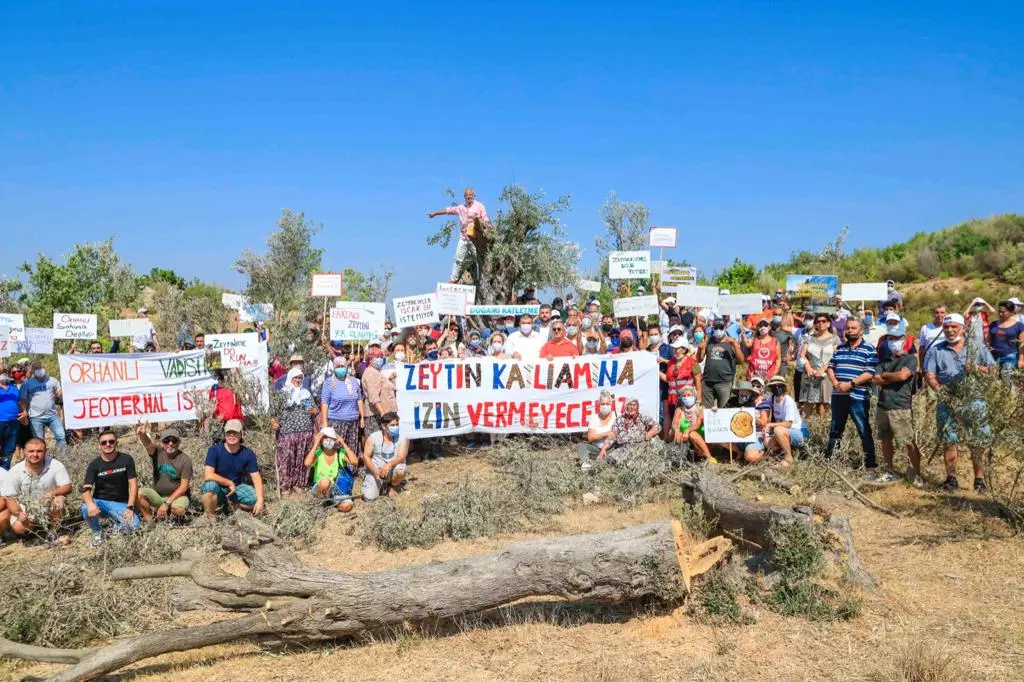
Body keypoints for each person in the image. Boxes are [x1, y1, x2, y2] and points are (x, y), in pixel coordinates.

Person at [924, 314, 997, 493]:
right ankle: (951, 480)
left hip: (975, 401)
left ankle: (980, 481)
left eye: (954, 327)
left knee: (978, 442)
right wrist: (942, 393)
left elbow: (994, 371)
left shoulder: (977, 347)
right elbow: (929, 374)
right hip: (947, 402)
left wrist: (977, 368)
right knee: (949, 441)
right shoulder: (936, 350)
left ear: (962, 328)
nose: (949, 330)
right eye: (946, 327)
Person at [826, 319, 880, 477]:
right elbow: (830, 367)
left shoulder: (869, 349)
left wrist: (851, 384)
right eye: (848, 328)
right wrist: (836, 382)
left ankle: (870, 466)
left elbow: (870, 372)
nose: (850, 331)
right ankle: (831, 462)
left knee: (863, 430)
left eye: (854, 328)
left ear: (861, 331)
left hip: (858, 396)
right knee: (835, 430)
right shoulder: (840, 347)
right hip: (838, 395)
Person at [873, 327, 922, 486]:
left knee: (907, 441)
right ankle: (889, 471)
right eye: (890, 338)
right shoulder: (884, 360)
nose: (893, 342)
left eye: (897, 338)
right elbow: (876, 379)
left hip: (900, 405)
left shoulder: (910, 359)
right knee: (885, 439)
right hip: (883, 405)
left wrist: (886, 376)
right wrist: (891, 377)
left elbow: (903, 375)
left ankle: (917, 473)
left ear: (905, 339)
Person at [0, 438, 72, 544]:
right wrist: (18, 513)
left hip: (48, 504)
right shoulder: (15, 471)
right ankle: (31, 532)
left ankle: (54, 531)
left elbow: (68, 487)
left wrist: (51, 494)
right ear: (24, 452)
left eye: (39, 451)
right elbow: (9, 498)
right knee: (19, 526)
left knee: (58, 500)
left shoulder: (56, 465)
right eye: (31, 451)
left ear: (45, 452)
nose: (35, 454)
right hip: (27, 507)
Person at [81, 430, 141, 546]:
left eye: (111, 441)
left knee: (135, 526)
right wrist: (91, 504)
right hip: (101, 503)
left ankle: (110, 531)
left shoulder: (126, 459)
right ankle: (97, 533)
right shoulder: (94, 465)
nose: (107, 444)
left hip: (121, 504)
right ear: (99, 445)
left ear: (116, 443)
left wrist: (130, 507)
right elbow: (85, 490)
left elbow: (133, 485)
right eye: (104, 443)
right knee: (85, 508)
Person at [200, 419, 265, 520]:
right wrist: (229, 483)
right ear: (224, 434)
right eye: (229, 432)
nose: (231, 435)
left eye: (235, 432)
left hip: (237, 488)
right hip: (219, 487)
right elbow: (208, 475)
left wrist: (261, 500)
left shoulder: (248, 453)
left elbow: (256, 476)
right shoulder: (214, 450)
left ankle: (231, 507)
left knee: (255, 499)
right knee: (209, 486)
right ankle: (211, 517)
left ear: (241, 434)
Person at [428, 187, 491, 283]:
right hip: (464, 238)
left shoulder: (479, 206)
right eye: (467, 196)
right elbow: (448, 210)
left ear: (473, 196)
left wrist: (481, 222)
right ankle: (453, 280)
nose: (469, 197)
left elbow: (486, 219)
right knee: (458, 259)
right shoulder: (461, 208)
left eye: (470, 195)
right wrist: (435, 213)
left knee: (479, 260)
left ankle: (482, 280)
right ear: (465, 197)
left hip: (475, 239)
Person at [135, 425, 193, 522]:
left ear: (178, 442)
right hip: (158, 495)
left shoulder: (185, 459)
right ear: (161, 443)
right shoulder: (157, 452)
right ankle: (150, 520)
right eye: (166, 440)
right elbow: (148, 445)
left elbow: (184, 487)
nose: (170, 443)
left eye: (174, 440)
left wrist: (166, 504)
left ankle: (169, 517)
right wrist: (143, 435)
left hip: (178, 497)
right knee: (138, 493)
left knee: (177, 510)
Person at [274, 367, 316, 495]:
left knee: (301, 458)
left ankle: (299, 484)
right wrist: (274, 422)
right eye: (295, 378)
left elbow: (314, 410)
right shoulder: (283, 394)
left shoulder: (306, 394)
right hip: (287, 432)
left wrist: (312, 411)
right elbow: (274, 412)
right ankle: (286, 486)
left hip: (304, 431)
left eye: (300, 378)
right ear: (290, 379)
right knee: (286, 459)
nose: (298, 380)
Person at [745, 376, 803, 467]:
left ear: (784, 387)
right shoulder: (772, 398)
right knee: (767, 442)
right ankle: (787, 452)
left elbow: (788, 424)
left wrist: (770, 425)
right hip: (783, 432)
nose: (776, 388)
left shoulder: (788, 401)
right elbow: (763, 402)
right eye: (774, 386)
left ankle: (788, 458)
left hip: (796, 431)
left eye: (779, 386)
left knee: (778, 430)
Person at [305, 426, 358, 511]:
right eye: (325, 438)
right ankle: (322, 501)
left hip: (336, 489)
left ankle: (333, 503)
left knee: (347, 506)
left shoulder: (340, 453)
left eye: (331, 438)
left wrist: (343, 444)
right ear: (321, 440)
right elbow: (307, 463)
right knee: (325, 481)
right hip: (320, 488)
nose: (328, 440)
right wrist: (315, 444)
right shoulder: (318, 453)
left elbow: (355, 461)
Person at [320, 357, 365, 454]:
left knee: (351, 450)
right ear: (334, 368)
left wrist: (362, 417)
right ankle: (336, 469)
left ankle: (350, 469)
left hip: (353, 422)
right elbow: (325, 403)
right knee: (336, 450)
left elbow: (359, 400)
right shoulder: (329, 382)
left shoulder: (353, 381)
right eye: (338, 366)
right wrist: (324, 422)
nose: (341, 368)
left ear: (346, 366)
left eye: (343, 366)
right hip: (336, 422)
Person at [19, 360, 66, 450]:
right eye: (36, 369)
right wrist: (24, 411)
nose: (39, 370)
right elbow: (23, 400)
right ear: (33, 371)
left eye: (41, 368)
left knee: (61, 436)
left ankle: (63, 458)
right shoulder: (27, 384)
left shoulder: (52, 381)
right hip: (36, 417)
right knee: (39, 442)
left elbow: (59, 394)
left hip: (52, 415)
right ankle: (41, 460)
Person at [362, 412, 409, 501]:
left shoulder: (403, 437)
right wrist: (375, 471)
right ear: (384, 426)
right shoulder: (373, 437)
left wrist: (389, 465)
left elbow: (401, 456)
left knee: (401, 471)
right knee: (369, 498)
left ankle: (392, 486)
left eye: (397, 424)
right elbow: (366, 456)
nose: (396, 427)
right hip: (376, 470)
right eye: (392, 425)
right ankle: (379, 484)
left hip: (393, 469)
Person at [799, 313, 839, 417]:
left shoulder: (835, 339)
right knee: (807, 404)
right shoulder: (809, 338)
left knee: (825, 405)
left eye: (823, 321)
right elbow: (802, 354)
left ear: (828, 324)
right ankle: (806, 429)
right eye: (817, 321)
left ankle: (824, 431)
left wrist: (823, 369)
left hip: (827, 374)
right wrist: (808, 366)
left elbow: (835, 356)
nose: (820, 323)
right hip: (810, 374)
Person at [699, 320, 745, 408]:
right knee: (707, 411)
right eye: (716, 327)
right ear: (713, 328)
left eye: (721, 327)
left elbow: (741, 360)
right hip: (708, 382)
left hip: (724, 382)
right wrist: (700, 348)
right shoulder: (709, 340)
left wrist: (735, 344)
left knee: (725, 410)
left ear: (725, 328)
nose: (718, 330)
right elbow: (700, 359)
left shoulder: (731, 342)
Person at [577, 390, 617, 470]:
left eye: (607, 404)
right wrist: (606, 434)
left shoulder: (616, 416)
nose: (605, 406)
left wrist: (602, 441)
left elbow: (615, 435)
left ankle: (605, 463)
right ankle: (585, 465)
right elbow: (591, 438)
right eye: (602, 404)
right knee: (582, 446)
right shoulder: (594, 418)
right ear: (599, 404)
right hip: (596, 448)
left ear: (611, 404)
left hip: (611, 449)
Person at [672, 385, 713, 462]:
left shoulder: (701, 409)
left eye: (689, 395)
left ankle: (709, 457)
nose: (686, 397)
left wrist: (687, 430)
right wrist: (677, 430)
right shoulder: (679, 410)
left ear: (694, 396)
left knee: (692, 434)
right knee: (671, 432)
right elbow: (674, 423)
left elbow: (697, 425)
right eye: (684, 396)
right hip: (686, 440)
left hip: (701, 440)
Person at [361, 347, 397, 436]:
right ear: (370, 359)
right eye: (377, 356)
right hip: (377, 416)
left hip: (382, 414)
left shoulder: (376, 372)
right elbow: (373, 396)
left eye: (381, 357)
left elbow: (380, 388)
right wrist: (382, 413)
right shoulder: (370, 373)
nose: (380, 359)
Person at [988, 300, 1024, 371]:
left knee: (1007, 380)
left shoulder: (1019, 326)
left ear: (1011, 312)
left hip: (1010, 357)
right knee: (993, 380)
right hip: (993, 357)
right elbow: (988, 342)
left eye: (1003, 312)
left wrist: (1021, 360)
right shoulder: (993, 325)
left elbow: (1021, 344)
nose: (1000, 314)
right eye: (999, 311)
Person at [0, 368, 19, 469]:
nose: (4, 375)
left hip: (13, 422)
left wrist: (24, 411)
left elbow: (21, 401)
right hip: (0, 421)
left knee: (9, 449)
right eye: (2, 373)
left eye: (6, 373)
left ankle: (5, 471)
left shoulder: (14, 388)